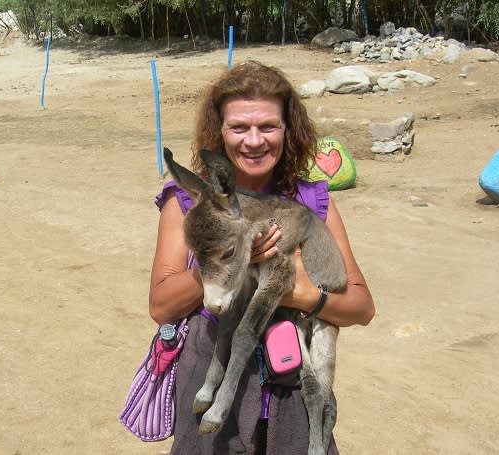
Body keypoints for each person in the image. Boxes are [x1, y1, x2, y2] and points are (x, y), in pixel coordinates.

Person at [149, 61, 375, 454]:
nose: (254, 141)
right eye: (239, 127)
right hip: (211, 375)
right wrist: (225, 260)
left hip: (291, 385)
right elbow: (160, 305)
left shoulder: (313, 202)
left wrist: (306, 297)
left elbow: (362, 307)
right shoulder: (186, 204)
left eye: (268, 126)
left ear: (288, 130)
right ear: (219, 133)